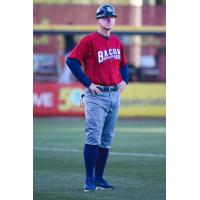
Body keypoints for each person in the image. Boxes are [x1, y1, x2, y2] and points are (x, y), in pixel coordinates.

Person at [66, 4, 129, 192]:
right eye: (105, 17)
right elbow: (71, 60)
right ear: (98, 19)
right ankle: (89, 180)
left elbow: (124, 64)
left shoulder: (117, 41)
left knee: (106, 138)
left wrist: (124, 80)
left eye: (112, 17)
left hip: (114, 95)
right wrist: (87, 83)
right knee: (93, 136)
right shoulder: (89, 40)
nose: (110, 19)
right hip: (97, 94)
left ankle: (99, 178)